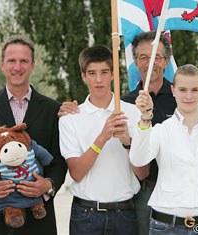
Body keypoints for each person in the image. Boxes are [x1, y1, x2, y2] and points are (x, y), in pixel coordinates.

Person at [58, 31, 198, 235]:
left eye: (156, 57)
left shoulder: (184, 93)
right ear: (135, 61)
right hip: (144, 192)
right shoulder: (128, 103)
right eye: (143, 57)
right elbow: (138, 163)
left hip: (188, 200)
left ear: (167, 60)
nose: (150, 63)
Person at [0, 35, 67, 235]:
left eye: (23, 61)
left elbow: (59, 161)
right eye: (12, 60)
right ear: (2, 64)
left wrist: (48, 185)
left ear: (33, 65)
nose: (17, 67)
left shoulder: (53, 109)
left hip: (40, 222)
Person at [58, 45, 149, 235]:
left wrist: (127, 141)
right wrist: (103, 137)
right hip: (86, 215)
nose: (98, 80)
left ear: (113, 74)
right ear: (83, 76)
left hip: (125, 213)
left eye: (104, 72)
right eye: (92, 73)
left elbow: (143, 173)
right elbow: (76, 173)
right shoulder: (70, 118)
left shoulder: (133, 113)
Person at [130, 64, 198, 234]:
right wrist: (145, 119)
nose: (189, 96)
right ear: (173, 90)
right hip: (165, 225)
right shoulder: (160, 130)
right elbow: (138, 159)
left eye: (194, 89)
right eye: (182, 90)